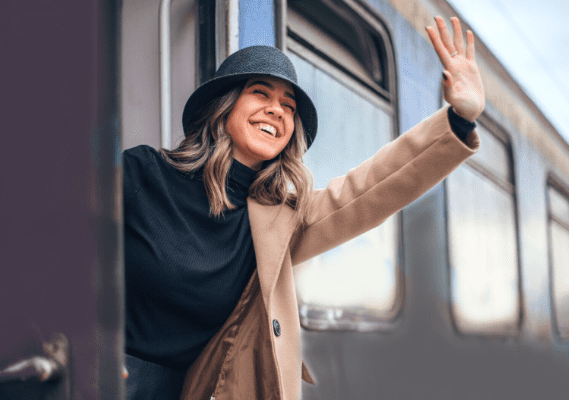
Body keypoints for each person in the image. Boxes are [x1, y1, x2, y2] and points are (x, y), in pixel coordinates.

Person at [122, 16, 484, 400]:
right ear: (223, 107)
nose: (277, 111)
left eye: (288, 106)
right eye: (261, 93)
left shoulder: (279, 218)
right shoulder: (143, 173)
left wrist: (458, 121)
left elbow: (372, 187)